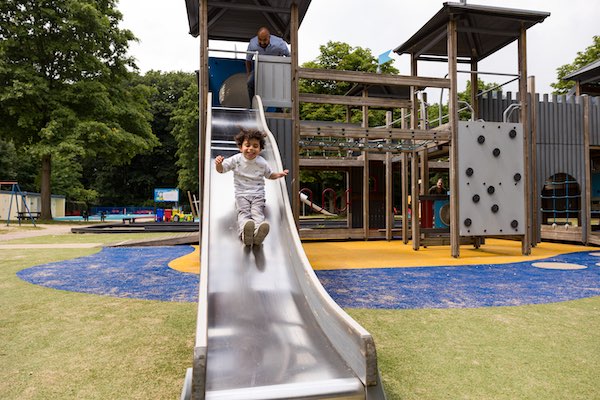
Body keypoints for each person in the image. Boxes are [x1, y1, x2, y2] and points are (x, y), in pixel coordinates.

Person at [215, 128, 288, 246]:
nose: (251, 149)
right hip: (241, 195)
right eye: (247, 145)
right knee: (244, 213)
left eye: (255, 146)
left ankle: (258, 232)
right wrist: (218, 164)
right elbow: (222, 170)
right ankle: (245, 233)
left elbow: (269, 175)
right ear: (240, 147)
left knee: (257, 213)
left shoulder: (262, 162)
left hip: (258, 195)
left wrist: (279, 174)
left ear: (260, 149)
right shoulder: (236, 159)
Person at [245, 27, 290, 102]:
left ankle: (279, 109)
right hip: (260, 68)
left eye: (265, 40)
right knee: (250, 83)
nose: (262, 43)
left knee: (280, 85)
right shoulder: (253, 43)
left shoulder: (279, 43)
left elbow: (289, 56)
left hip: (276, 68)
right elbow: (248, 60)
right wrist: (249, 73)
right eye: (260, 40)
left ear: (269, 37)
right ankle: (253, 105)